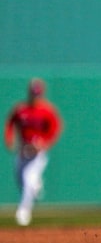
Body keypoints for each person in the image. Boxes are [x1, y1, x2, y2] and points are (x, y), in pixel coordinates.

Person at [6, 78, 63, 226]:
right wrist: (9, 138)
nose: (35, 96)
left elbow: (55, 128)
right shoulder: (21, 109)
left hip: (37, 152)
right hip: (22, 150)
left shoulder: (46, 110)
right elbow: (10, 123)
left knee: (27, 179)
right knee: (21, 179)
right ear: (29, 93)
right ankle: (36, 185)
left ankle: (24, 210)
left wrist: (45, 143)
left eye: (38, 94)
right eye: (33, 93)